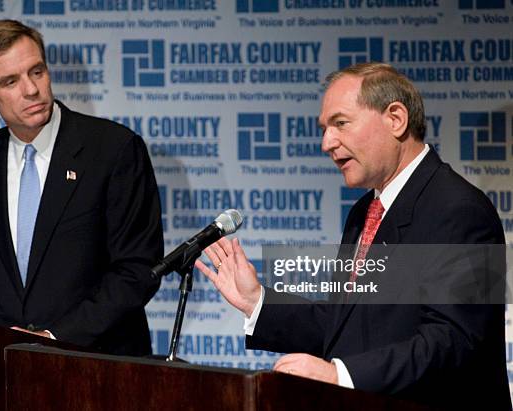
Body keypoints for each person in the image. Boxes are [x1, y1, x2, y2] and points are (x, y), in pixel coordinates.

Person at [196, 63, 511, 409]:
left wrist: (339, 375)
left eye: (340, 124)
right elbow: (345, 325)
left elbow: (453, 342)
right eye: (325, 128)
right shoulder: (365, 211)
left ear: (395, 119)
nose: (326, 143)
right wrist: (256, 302)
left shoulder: (458, 209)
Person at [0, 19, 163, 356]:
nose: (31, 90)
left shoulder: (113, 150)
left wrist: (55, 337)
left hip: (101, 366)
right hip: (9, 368)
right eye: (10, 81)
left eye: (36, 72)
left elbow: (137, 270)